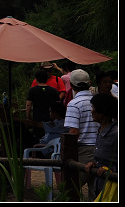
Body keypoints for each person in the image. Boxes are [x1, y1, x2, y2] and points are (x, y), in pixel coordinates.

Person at [64, 69, 99, 200]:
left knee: (72, 187)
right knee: (95, 189)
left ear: (72, 85)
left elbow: (73, 132)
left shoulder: (74, 104)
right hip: (100, 147)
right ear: (89, 84)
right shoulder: (97, 100)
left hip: (84, 149)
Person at [85, 93, 117, 198]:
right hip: (101, 184)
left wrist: (111, 169)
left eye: (93, 107)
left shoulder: (115, 133)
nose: (92, 111)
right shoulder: (101, 130)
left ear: (102, 111)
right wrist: (96, 164)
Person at [25, 69, 62, 144]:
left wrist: (28, 116)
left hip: (37, 117)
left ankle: (38, 152)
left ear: (36, 79)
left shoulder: (32, 90)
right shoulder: (54, 91)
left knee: (38, 136)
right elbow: (58, 105)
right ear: (46, 79)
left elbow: (28, 104)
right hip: (51, 118)